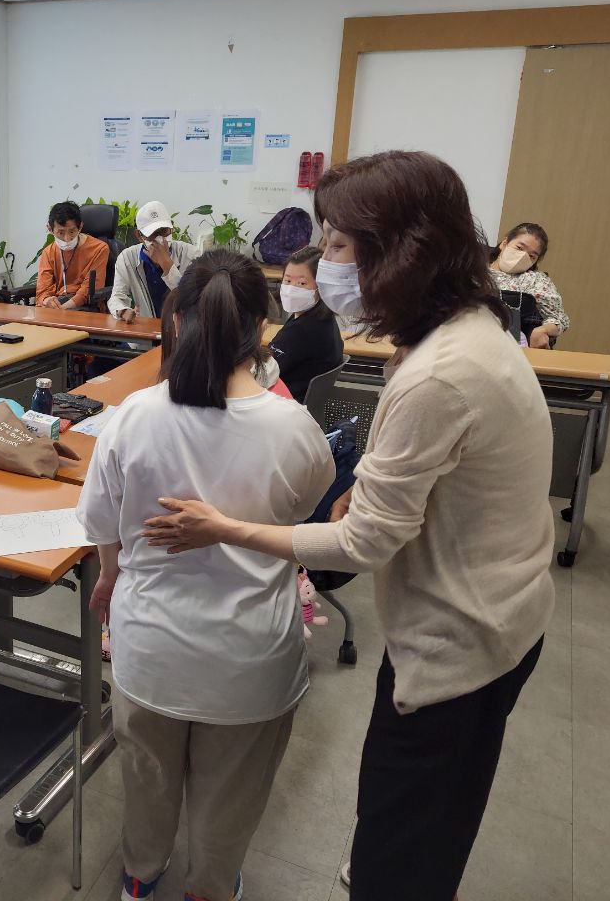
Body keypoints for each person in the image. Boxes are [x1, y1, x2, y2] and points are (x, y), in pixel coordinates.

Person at [143, 152, 555, 901]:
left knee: (406, 846)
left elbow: (363, 544)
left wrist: (225, 528)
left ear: (400, 251)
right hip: (502, 608)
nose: (320, 265)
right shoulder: (456, 333)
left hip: (462, 640)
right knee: (413, 821)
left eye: (336, 247)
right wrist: (364, 482)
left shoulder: (438, 373)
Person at [78, 250, 334, 901]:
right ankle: (210, 889)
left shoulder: (131, 417)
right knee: (232, 800)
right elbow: (304, 519)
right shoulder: (294, 429)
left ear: (175, 319)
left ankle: (141, 874)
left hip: (150, 647)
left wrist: (110, 576)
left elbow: (103, 526)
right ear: (261, 327)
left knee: (147, 781)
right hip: (251, 659)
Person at [268, 245, 344, 402]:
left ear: (321, 287)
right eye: (287, 280)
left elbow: (264, 373)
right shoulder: (322, 320)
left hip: (284, 406)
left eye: (302, 283)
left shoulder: (305, 330)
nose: (291, 289)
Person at [108, 200, 200, 322]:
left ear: (171, 227)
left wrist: (168, 266)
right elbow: (117, 296)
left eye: (164, 231)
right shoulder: (127, 258)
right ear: (139, 235)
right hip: (145, 330)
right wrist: (123, 311)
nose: (160, 239)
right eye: (152, 234)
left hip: (182, 329)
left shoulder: (191, 254)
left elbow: (193, 300)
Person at [487, 222, 569, 349]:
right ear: (504, 243)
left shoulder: (535, 280)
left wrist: (542, 330)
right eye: (519, 248)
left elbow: (559, 319)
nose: (523, 257)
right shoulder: (472, 269)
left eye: (532, 256)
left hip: (510, 348)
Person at [36, 202, 109, 310]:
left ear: (80, 227)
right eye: (60, 233)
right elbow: (43, 290)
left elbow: (89, 289)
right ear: (50, 229)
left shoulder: (99, 249)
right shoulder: (48, 252)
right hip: (57, 306)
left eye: (72, 231)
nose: (67, 238)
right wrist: (47, 300)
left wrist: (64, 308)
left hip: (84, 306)